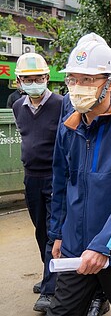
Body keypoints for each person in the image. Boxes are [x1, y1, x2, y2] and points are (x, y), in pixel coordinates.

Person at [47, 33, 111, 316]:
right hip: (74, 246)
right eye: (73, 79)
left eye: (88, 79)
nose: (78, 87)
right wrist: (57, 233)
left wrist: (104, 246)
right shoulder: (68, 126)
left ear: (109, 82)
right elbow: (60, 182)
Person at [11, 53, 62, 313]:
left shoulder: (62, 104)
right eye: (28, 79)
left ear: (47, 78)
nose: (34, 82)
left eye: (39, 78)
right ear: (19, 81)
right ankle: (50, 274)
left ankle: (51, 289)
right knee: (41, 230)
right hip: (31, 177)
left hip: (54, 176)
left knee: (54, 232)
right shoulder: (18, 106)